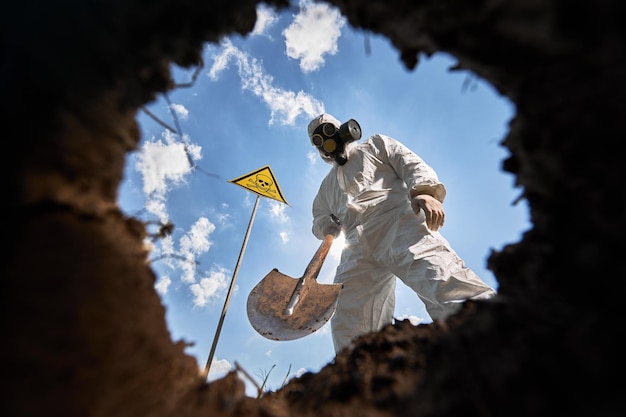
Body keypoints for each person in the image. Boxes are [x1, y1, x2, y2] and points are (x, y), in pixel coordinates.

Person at [308, 113, 496, 353]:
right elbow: (319, 216)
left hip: (397, 221)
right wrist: (325, 225)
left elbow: (409, 163)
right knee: (349, 318)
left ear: (342, 129)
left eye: (329, 132)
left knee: (440, 279)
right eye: (319, 141)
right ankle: (365, 380)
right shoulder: (327, 186)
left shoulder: (375, 145)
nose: (327, 143)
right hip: (355, 246)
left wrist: (424, 191)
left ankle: (495, 340)